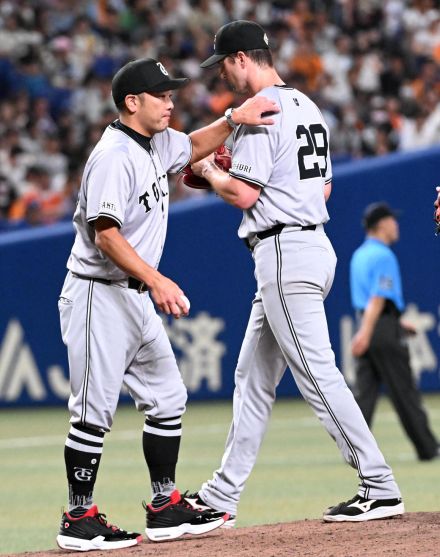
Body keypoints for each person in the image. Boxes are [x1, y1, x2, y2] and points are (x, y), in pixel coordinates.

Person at [184, 20, 404, 525]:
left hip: (284, 250)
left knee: (315, 371)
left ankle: (379, 484)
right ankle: (221, 496)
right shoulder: (309, 107)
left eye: (223, 66)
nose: (221, 77)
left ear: (243, 58)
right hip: (308, 243)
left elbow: (244, 195)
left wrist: (214, 170)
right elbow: (322, 190)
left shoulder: (262, 111)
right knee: (253, 378)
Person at [56, 57, 278, 551]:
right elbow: (105, 234)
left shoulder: (155, 141)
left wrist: (232, 120)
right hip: (99, 293)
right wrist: (156, 279)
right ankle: (77, 517)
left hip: (133, 296)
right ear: (132, 102)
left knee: (168, 397)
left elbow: (194, 145)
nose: (171, 101)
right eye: (162, 95)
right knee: (92, 411)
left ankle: (164, 504)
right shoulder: (114, 155)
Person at [350, 202, 439, 461]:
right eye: (392, 220)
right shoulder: (383, 255)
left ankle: (352, 449)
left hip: (371, 325)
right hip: (380, 329)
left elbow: (369, 301)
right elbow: (378, 297)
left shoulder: (359, 255)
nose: (396, 225)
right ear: (382, 224)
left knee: (364, 396)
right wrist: (370, 332)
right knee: (404, 392)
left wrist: (370, 331)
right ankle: (428, 448)